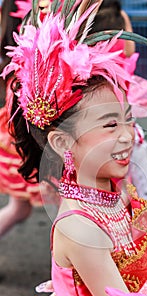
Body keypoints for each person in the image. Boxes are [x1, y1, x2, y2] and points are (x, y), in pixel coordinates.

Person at [1, 0, 147, 296]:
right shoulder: (80, 228)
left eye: (128, 119)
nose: (127, 135)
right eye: (110, 125)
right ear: (63, 142)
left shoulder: (120, 194)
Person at [90, 0, 147, 255]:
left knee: (103, 192)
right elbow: (128, 54)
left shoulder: (78, 22)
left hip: (95, 126)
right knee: (140, 191)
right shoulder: (120, 19)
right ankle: (146, 254)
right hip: (124, 120)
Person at [0, 0, 42, 237]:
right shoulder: (32, 8)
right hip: (29, 120)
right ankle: (67, 273)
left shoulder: (9, 6)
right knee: (66, 210)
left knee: (19, 208)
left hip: (16, 117)